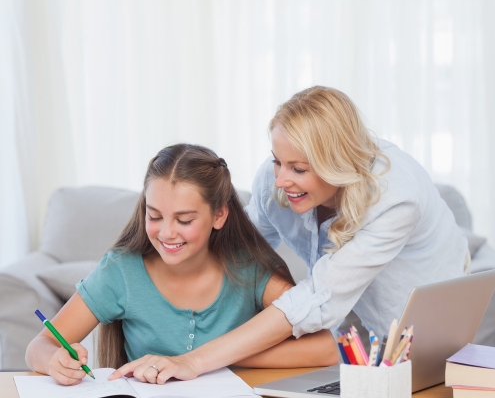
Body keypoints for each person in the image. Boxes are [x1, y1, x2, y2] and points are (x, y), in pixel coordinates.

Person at [108, 86, 468, 383]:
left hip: (422, 304)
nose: (279, 180)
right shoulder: (275, 179)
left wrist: (196, 359)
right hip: (340, 309)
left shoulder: (395, 198)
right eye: (277, 161)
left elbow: (317, 300)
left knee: (422, 385)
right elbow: (241, 251)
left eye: (297, 168)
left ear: (337, 165)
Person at [25, 143, 337, 386]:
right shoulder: (121, 271)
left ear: (219, 215)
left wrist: (208, 359)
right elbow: (41, 345)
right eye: (155, 215)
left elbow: (324, 348)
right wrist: (54, 360)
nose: (166, 232)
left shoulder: (247, 269)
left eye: (184, 220)